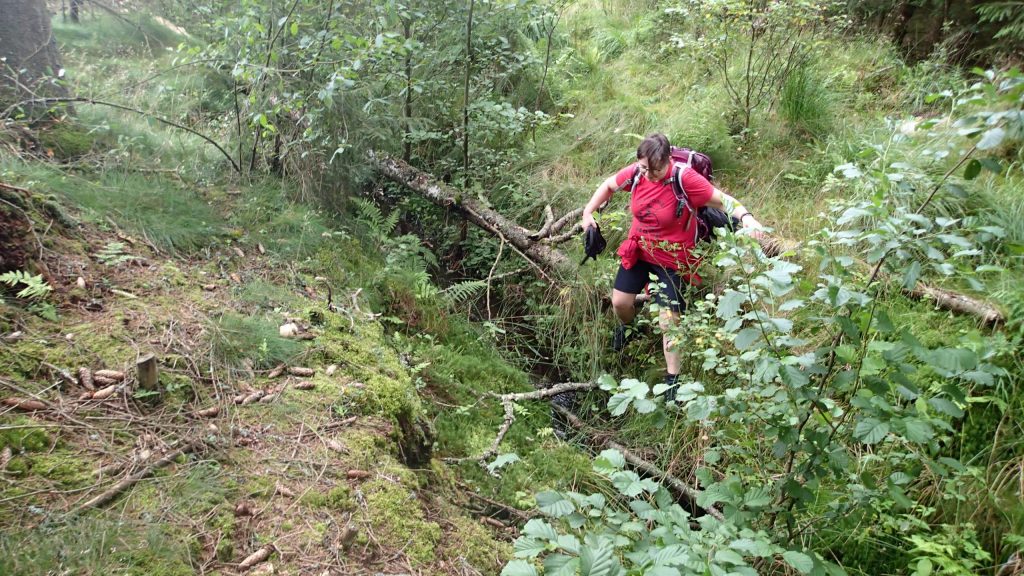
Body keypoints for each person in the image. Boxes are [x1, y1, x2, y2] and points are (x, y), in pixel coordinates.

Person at [580, 133, 764, 399]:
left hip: (673, 259)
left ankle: (672, 380)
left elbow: (723, 200)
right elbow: (609, 185)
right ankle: (629, 327)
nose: (648, 175)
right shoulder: (637, 173)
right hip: (640, 250)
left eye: (654, 170)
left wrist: (747, 217)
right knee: (620, 302)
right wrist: (588, 213)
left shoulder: (684, 178)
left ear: (667, 161)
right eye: (644, 168)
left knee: (670, 321)